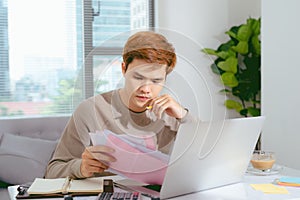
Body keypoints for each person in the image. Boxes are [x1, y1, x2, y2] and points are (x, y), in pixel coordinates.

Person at [45, 31, 193, 179]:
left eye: (156, 81)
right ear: (124, 69)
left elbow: (206, 157)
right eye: (138, 77)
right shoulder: (90, 110)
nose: (146, 89)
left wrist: (184, 116)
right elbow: (52, 172)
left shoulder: (170, 113)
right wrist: (81, 168)